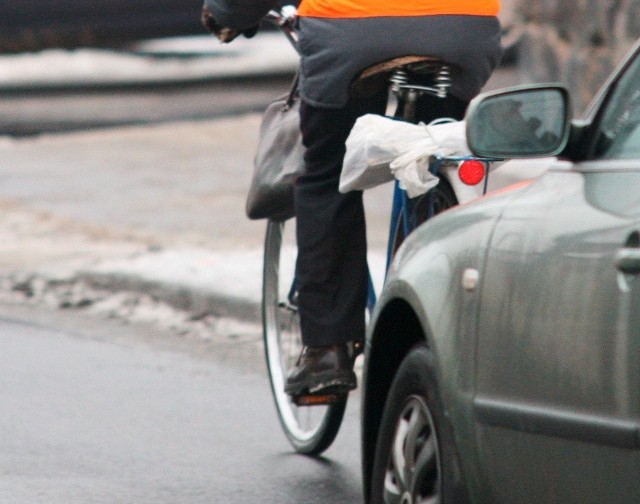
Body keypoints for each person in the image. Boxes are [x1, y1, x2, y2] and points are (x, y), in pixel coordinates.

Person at [202, 0, 503, 397]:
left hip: (351, 28)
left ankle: (327, 351)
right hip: (464, 29)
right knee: (437, 148)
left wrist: (227, 14)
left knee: (327, 174)